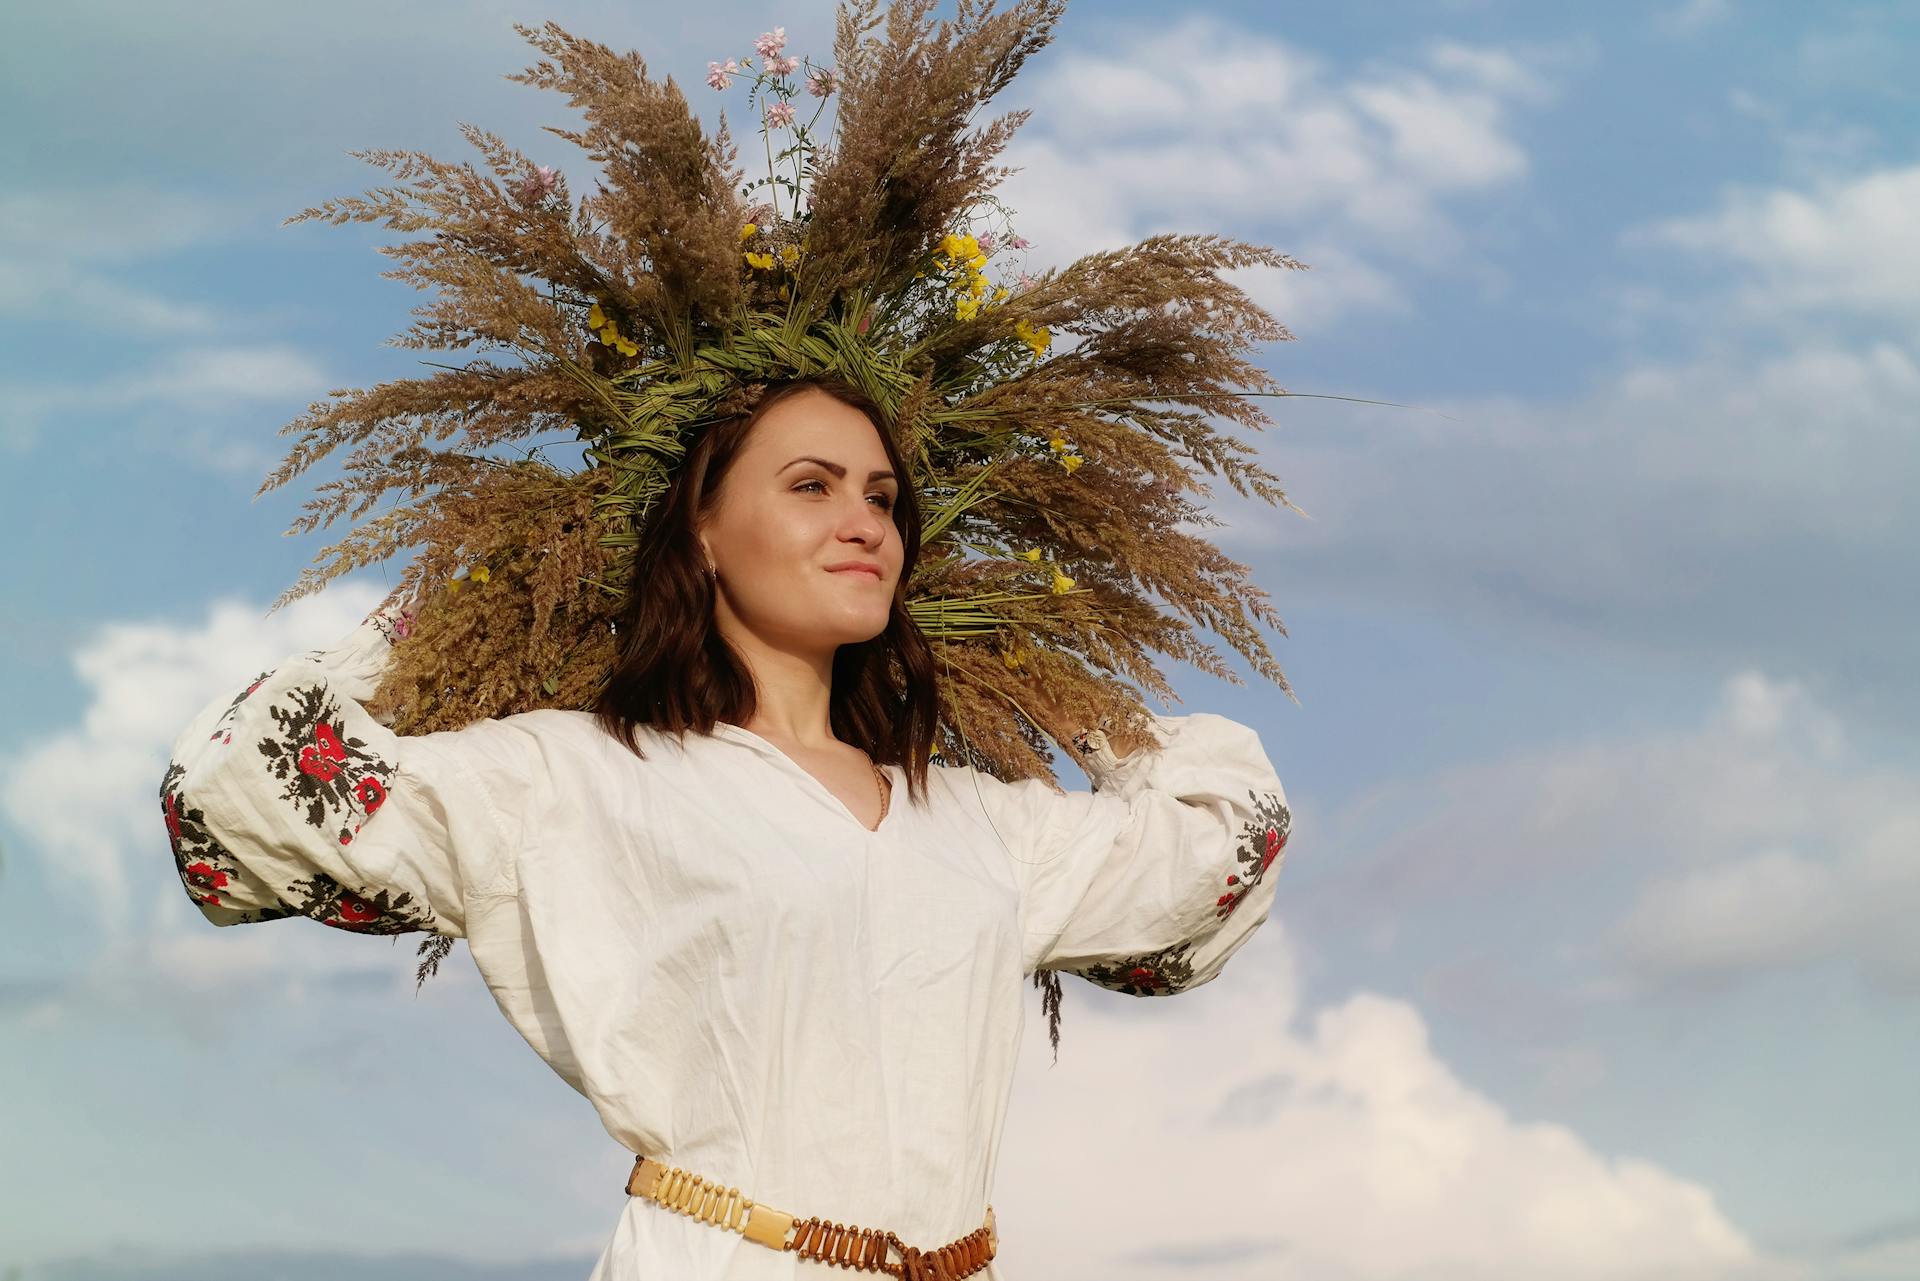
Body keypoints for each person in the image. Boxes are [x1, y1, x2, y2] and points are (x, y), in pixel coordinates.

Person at [161, 375, 1293, 1279]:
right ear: (701, 531)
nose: (864, 524)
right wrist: (454, 619)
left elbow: (1219, 850)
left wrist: (1055, 683)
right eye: (812, 486)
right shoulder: (579, 774)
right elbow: (231, 791)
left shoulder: (978, 820)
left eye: (885, 500)